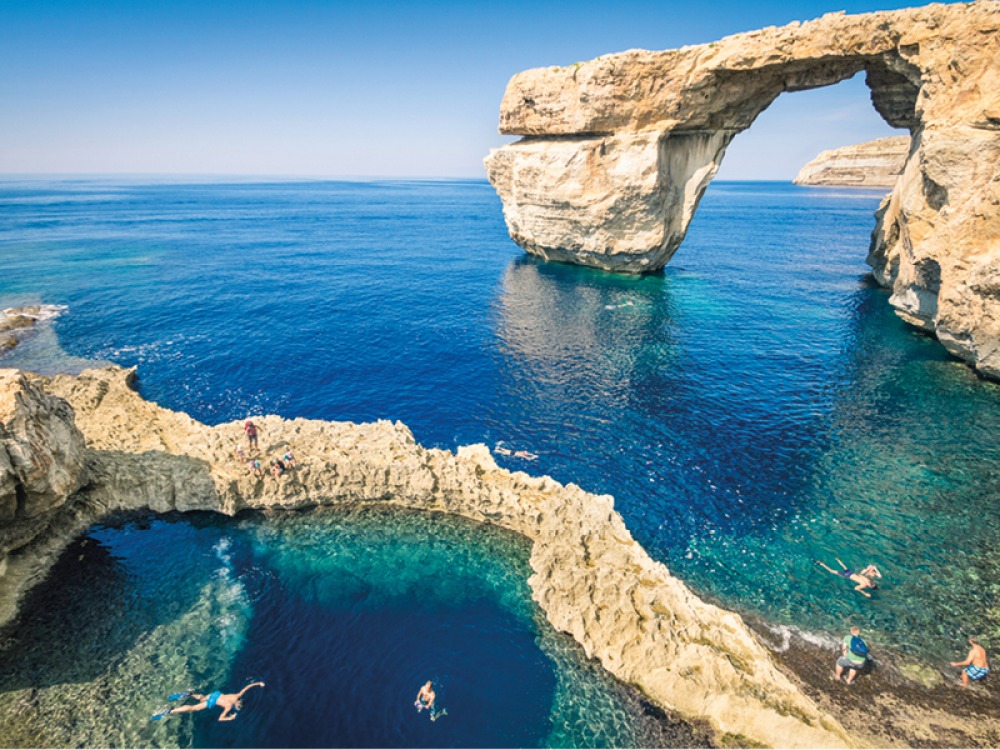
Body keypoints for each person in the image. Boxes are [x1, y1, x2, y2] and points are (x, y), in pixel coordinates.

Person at [154, 681, 265, 721]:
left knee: (202, 698)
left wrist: (258, 683)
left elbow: (247, 687)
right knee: (193, 708)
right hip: (212, 702)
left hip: (216, 694)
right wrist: (230, 718)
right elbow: (220, 718)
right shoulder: (229, 707)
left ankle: (190, 694)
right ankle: (172, 711)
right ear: (236, 706)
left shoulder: (236, 696)